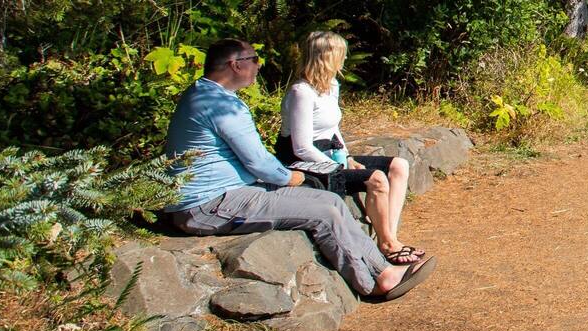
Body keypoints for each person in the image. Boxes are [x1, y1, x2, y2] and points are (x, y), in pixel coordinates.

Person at [162, 38, 434, 302]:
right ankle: (371, 283)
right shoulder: (220, 105)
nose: (259, 66)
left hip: (226, 194)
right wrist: (289, 177)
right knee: (324, 211)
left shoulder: (207, 94)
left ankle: (383, 271)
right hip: (209, 204)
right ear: (235, 65)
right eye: (253, 60)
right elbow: (257, 161)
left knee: (328, 201)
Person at [278, 31, 424, 265]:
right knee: (376, 179)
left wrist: (346, 156)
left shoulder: (331, 85)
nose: (344, 60)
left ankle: (388, 235)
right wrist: (340, 165)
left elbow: (333, 129)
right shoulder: (301, 93)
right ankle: (388, 245)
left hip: (331, 153)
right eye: (341, 55)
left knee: (399, 166)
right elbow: (302, 147)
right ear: (326, 57)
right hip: (303, 162)